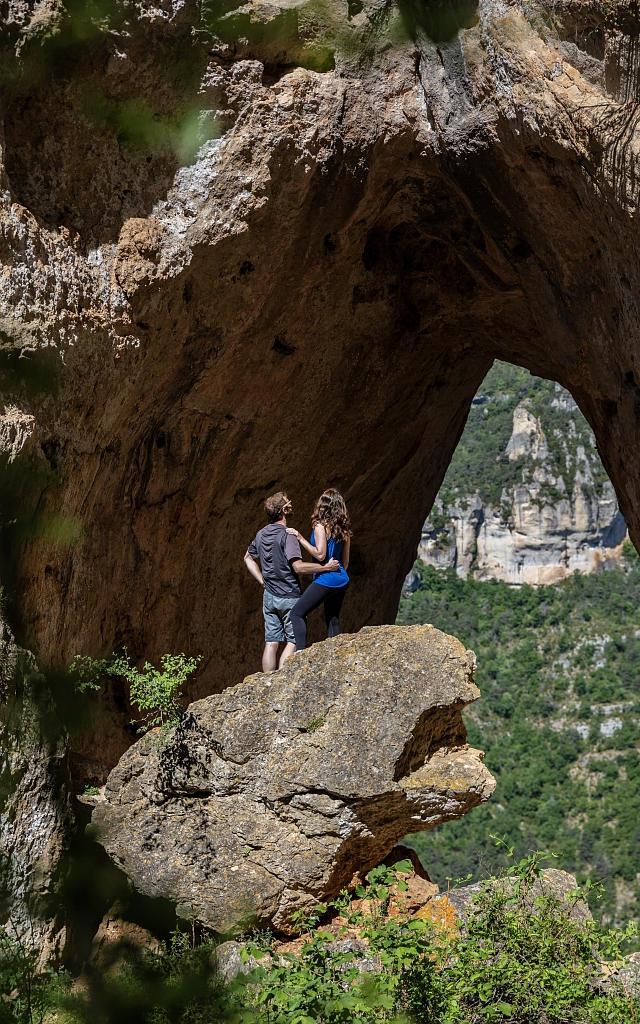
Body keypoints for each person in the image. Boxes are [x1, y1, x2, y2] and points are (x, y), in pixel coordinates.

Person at [244, 491, 339, 672]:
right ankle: (281, 681)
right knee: (293, 640)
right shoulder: (288, 535)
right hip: (289, 596)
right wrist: (325, 568)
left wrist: (262, 580)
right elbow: (298, 567)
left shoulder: (261, 534)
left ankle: (267, 684)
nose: (292, 504)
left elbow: (248, 558)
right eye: (289, 502)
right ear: (284, 510)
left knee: (271, 641)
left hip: (269, 596)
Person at [288, 488, 351, 651]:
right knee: (333, 618)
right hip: (342, 579)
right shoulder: (344, 530)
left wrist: (300, 537)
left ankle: (300, 652)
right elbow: (345, 562)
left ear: (322, 505)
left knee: (296, 613)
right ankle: (335, 653)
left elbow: (321, 554)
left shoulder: (320, 527)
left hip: (326, 578)